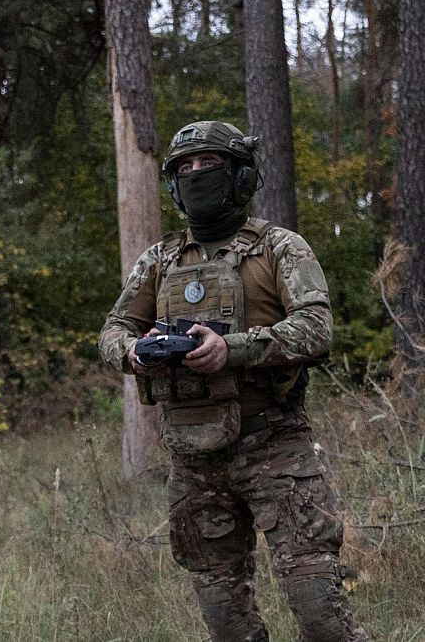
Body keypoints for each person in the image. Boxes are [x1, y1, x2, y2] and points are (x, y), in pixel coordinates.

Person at [98, 120, 367, 642]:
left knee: (320, 613)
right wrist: (134, 352)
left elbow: (317, 328)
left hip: (275, 447)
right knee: (226, 622)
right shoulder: (159, 260)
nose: (197, 173)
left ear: (241, 176)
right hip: (193, 458)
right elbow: (113, 329)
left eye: (210, 164)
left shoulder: (279, 248)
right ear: (174, 185)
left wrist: (233, 349)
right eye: (186, 167)